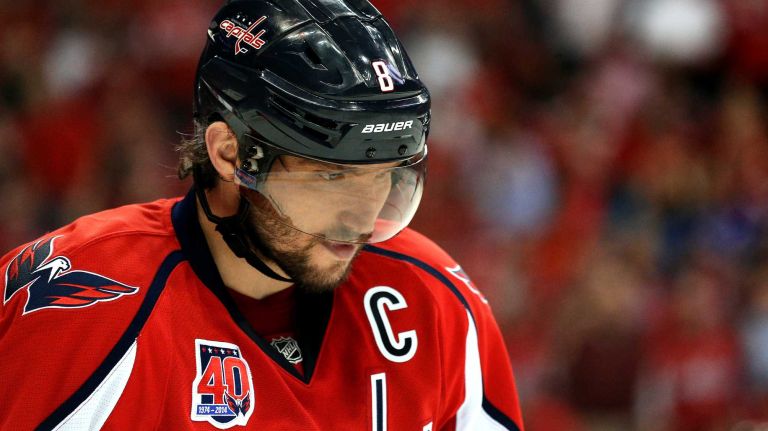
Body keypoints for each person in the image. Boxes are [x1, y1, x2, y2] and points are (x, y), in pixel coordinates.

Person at [0, 0, 523, 429]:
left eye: (385, 174)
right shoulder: (81, 303)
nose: (361, 218)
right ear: (230, 153)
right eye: (332, 176)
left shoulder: (434, 300)